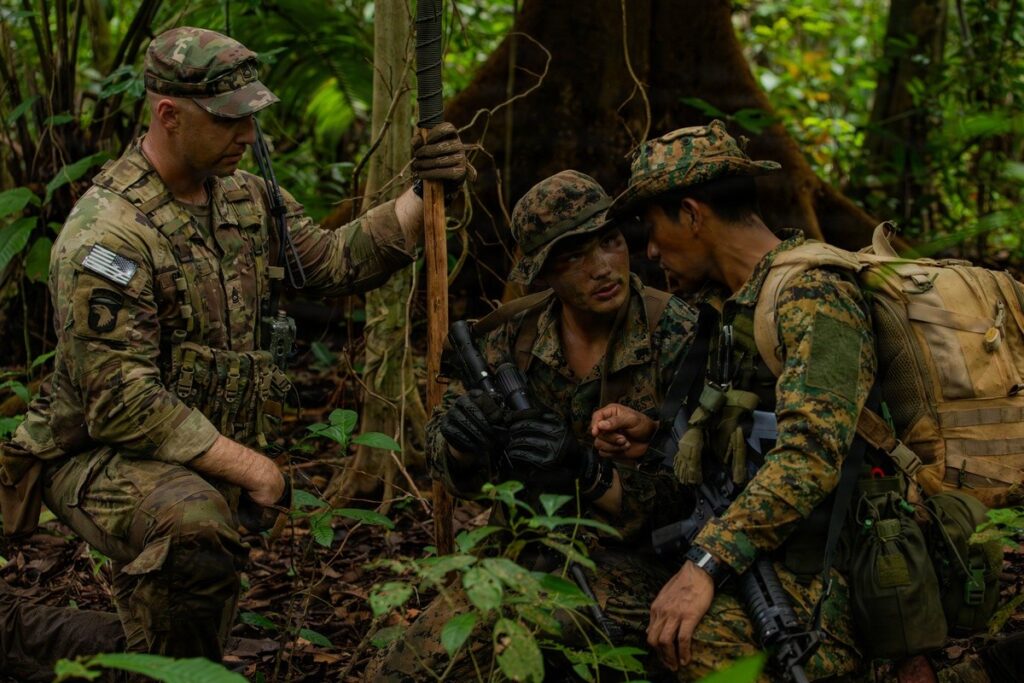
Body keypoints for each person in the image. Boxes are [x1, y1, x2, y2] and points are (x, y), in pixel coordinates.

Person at [0, 26, 472, 664]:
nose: (247, 137)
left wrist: (423, 194)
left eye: (250, 118)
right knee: (192, 530)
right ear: (168, 114)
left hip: (187, 450)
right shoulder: (108, 236)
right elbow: (119, 403)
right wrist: (250, 465)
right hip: (94, 455)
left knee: (178, 637)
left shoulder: (245, 198)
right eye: (228, 121)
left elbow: (332, 263)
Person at [365, 170, 697, 680]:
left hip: (641, 561)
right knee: (408, 671)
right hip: (521, 548)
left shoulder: (680, 335)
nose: (603, 268)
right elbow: (443, 455)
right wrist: (463, 444)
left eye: (609, 243)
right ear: (543, 273)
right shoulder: (508, 338)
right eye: (574, 257)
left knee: (553, 638)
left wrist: (585, 470)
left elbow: (694, 492)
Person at [592, 119, 875, 681]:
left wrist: (705, 564)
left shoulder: (815, 295)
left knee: (700, 648)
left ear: (693, 215)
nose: (648, 251)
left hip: (827, 565)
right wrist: (657, 432)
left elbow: (809, 455)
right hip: (753, 540)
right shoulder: (728, 305)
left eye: (653, 230)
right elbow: (749, 421)